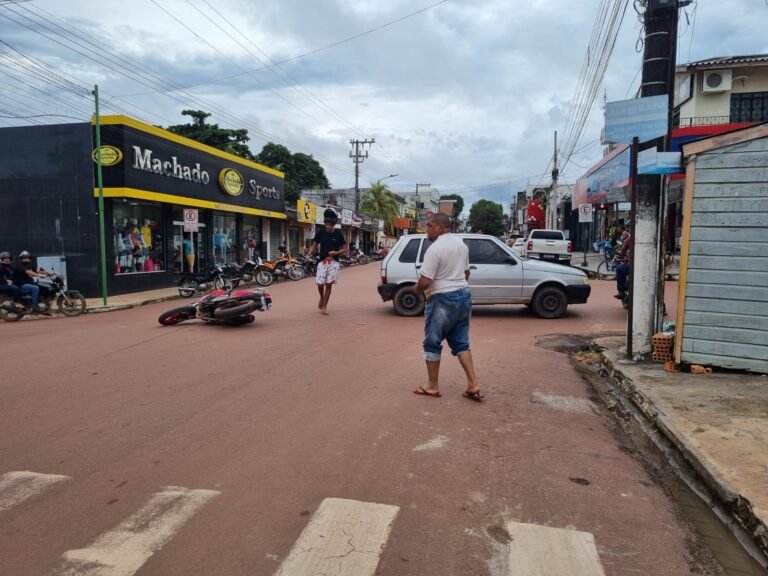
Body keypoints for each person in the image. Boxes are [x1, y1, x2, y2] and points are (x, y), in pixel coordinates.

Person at [411, 213, 483, 401]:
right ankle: (473, 384)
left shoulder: (435, 249)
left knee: (432, 342)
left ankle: (432, 386)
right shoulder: (461, 245)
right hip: (463, 295)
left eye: (430, 226)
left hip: (442, 299)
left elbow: (425, 281)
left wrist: (417, 289)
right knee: (461, 341)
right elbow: (466, 273)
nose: (427, 229)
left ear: (441, 227)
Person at [306, 208, 347, 315]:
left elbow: (344, 248)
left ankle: (324, 306)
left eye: (330, 225)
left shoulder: (339, 234)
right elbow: (314, 245)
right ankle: (322, 297)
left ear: (333, 225)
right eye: (326, 224)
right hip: (322, 262)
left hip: (333, 263)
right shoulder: (320, 233)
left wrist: (336, 252)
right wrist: (309, 254)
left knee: (328, 284)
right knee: (320, 284)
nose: (328, 226)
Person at [614, 229, 632, 300]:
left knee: (619, 269)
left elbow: (622, 251)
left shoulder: (629, 240)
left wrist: (620, 253)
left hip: (632, 266)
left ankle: (621, 291)